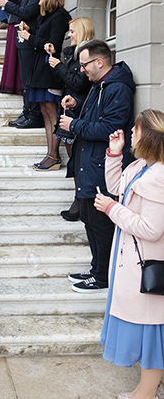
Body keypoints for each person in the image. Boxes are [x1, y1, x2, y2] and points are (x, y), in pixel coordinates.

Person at [94, 110, 164, 399]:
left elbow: (151, 228)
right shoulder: (140, 167)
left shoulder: (159, 177)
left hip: (146, 268)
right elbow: (115, 187)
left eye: (134, 131)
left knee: (151, 336)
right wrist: (115, 153)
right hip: (130, 264)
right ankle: (143, 392)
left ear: (148, 136)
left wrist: (112, 210)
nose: (131, 134)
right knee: (145, 332)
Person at [59, 40, 135, 292]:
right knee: (90, 220)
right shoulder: (99, 85)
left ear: (99, 62)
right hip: (90, 162)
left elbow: (110, 128)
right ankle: (96, 269)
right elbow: (97, 116)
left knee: (101, 226)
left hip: (104, 166)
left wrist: (74, 126)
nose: (82, 70)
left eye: (84, 64)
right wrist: (77, 106)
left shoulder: (117, 87)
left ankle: (103, 276)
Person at [18, 0, 70, 170]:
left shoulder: (59, 17)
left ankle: (54, 156)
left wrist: (29, 37)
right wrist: (30, 31)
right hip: (39, 71)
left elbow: (53, 45)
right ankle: (50, 154)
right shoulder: (47, 16)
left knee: (52, 113)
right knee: (45, 113)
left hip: (49, 71)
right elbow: (43, 37)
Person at [49, 17, 94, 220]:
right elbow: (64, 79)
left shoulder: (89, 55)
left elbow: (78, 83)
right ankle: (79, 200)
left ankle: (81, 202)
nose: (68, 35)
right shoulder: (72, 53)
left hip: (80, 114)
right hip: (69, 110)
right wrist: (58, 57)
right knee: (74, 160)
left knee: (79, 160)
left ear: (82, 32)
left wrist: (59, 65)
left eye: (72, 32)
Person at [0, 0, 45, 129]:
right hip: (24, 39)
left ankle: (33, 115)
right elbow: (24, 6)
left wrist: (7, 4)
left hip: (30, 39)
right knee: (26, 80)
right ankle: (27, 112)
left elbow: (27, 12)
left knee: (29, 80)